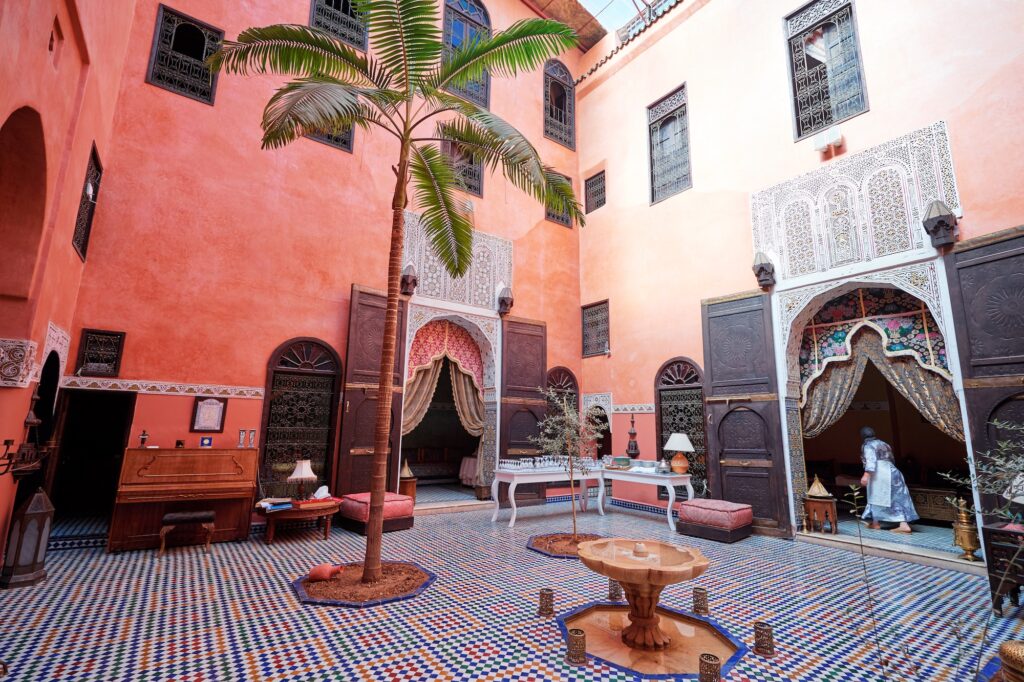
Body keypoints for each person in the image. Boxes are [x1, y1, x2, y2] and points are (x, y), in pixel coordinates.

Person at [858, 427, 918, 533]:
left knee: (875, 496)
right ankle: (884, 523)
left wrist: (866, 475)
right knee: (898, 497)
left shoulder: (868, 445)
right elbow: (892, 459)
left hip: (879, 473)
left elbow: (871, 461)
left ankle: (878, 523)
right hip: (892, 470)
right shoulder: (884, 443)